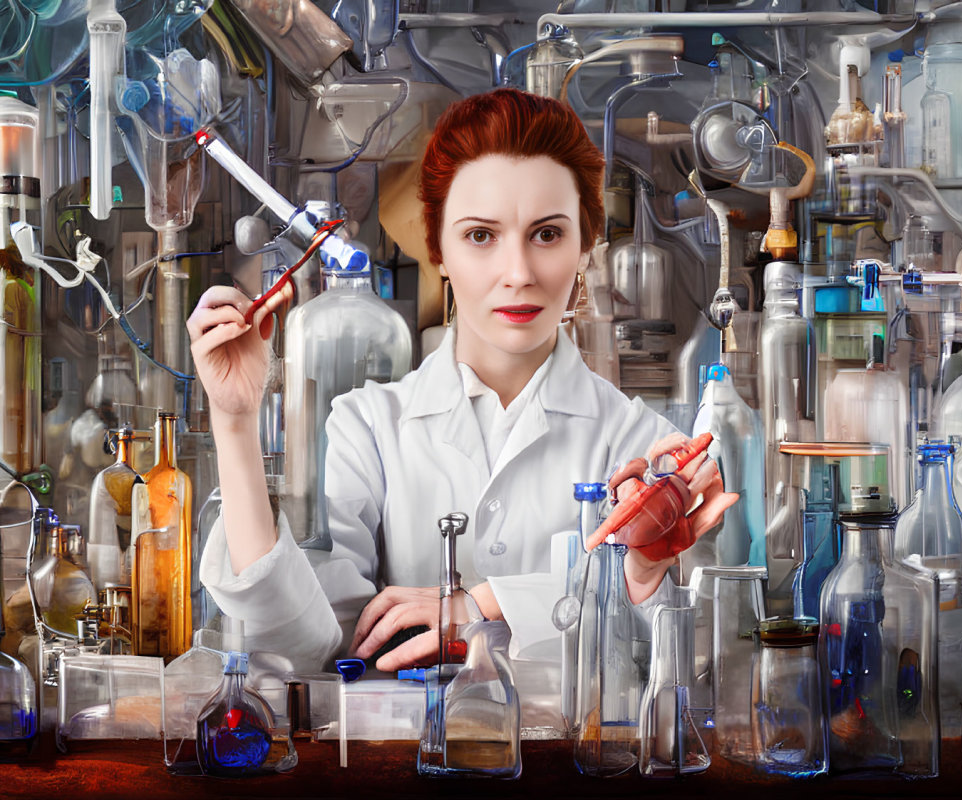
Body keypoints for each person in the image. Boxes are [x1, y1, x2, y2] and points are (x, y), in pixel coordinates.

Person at [187, 88, 737, 673]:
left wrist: (487, 604)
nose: (518, 273)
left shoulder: (635, 443)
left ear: (585, 247)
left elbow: (685, 653)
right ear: (438, 251)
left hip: (574, 764)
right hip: (399, 759)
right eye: (481, 236)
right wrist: (235, 420)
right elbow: (311, 641)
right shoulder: (369, 425)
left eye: (547, 234)